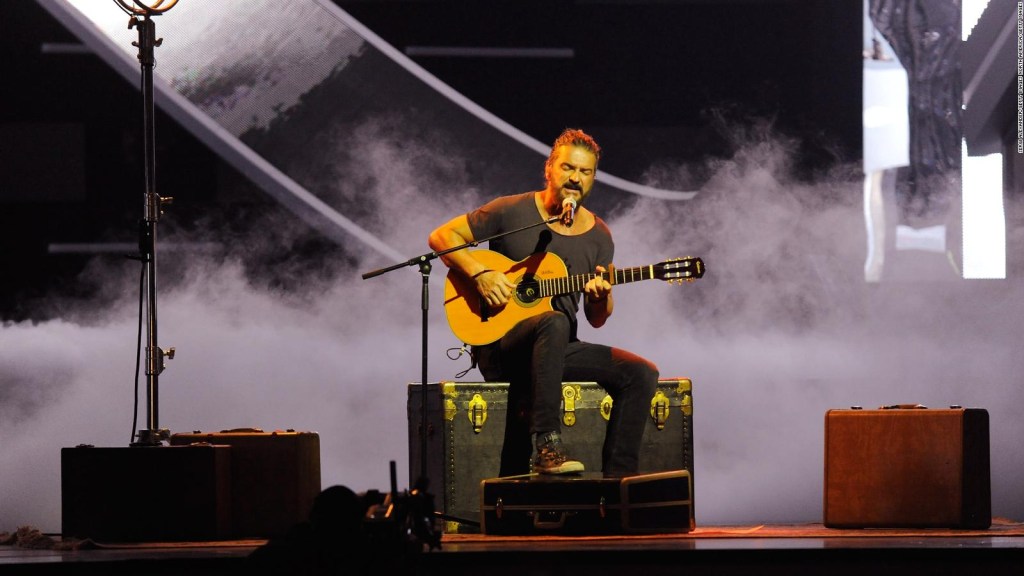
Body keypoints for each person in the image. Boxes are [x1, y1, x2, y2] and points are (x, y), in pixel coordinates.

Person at [427, 128, 659, 477]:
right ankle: (548, 444)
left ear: (593, 178)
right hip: (500, 347)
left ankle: (619, 484)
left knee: (641, 373)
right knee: (554, 320)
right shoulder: (509, 211)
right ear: (549, 169)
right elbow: (442, 236)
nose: (575, 179)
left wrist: (602, 296)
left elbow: (597, 319)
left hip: (557, 349)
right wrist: (479, 273)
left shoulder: (599, 235)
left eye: (585, 172)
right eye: (568, 168)